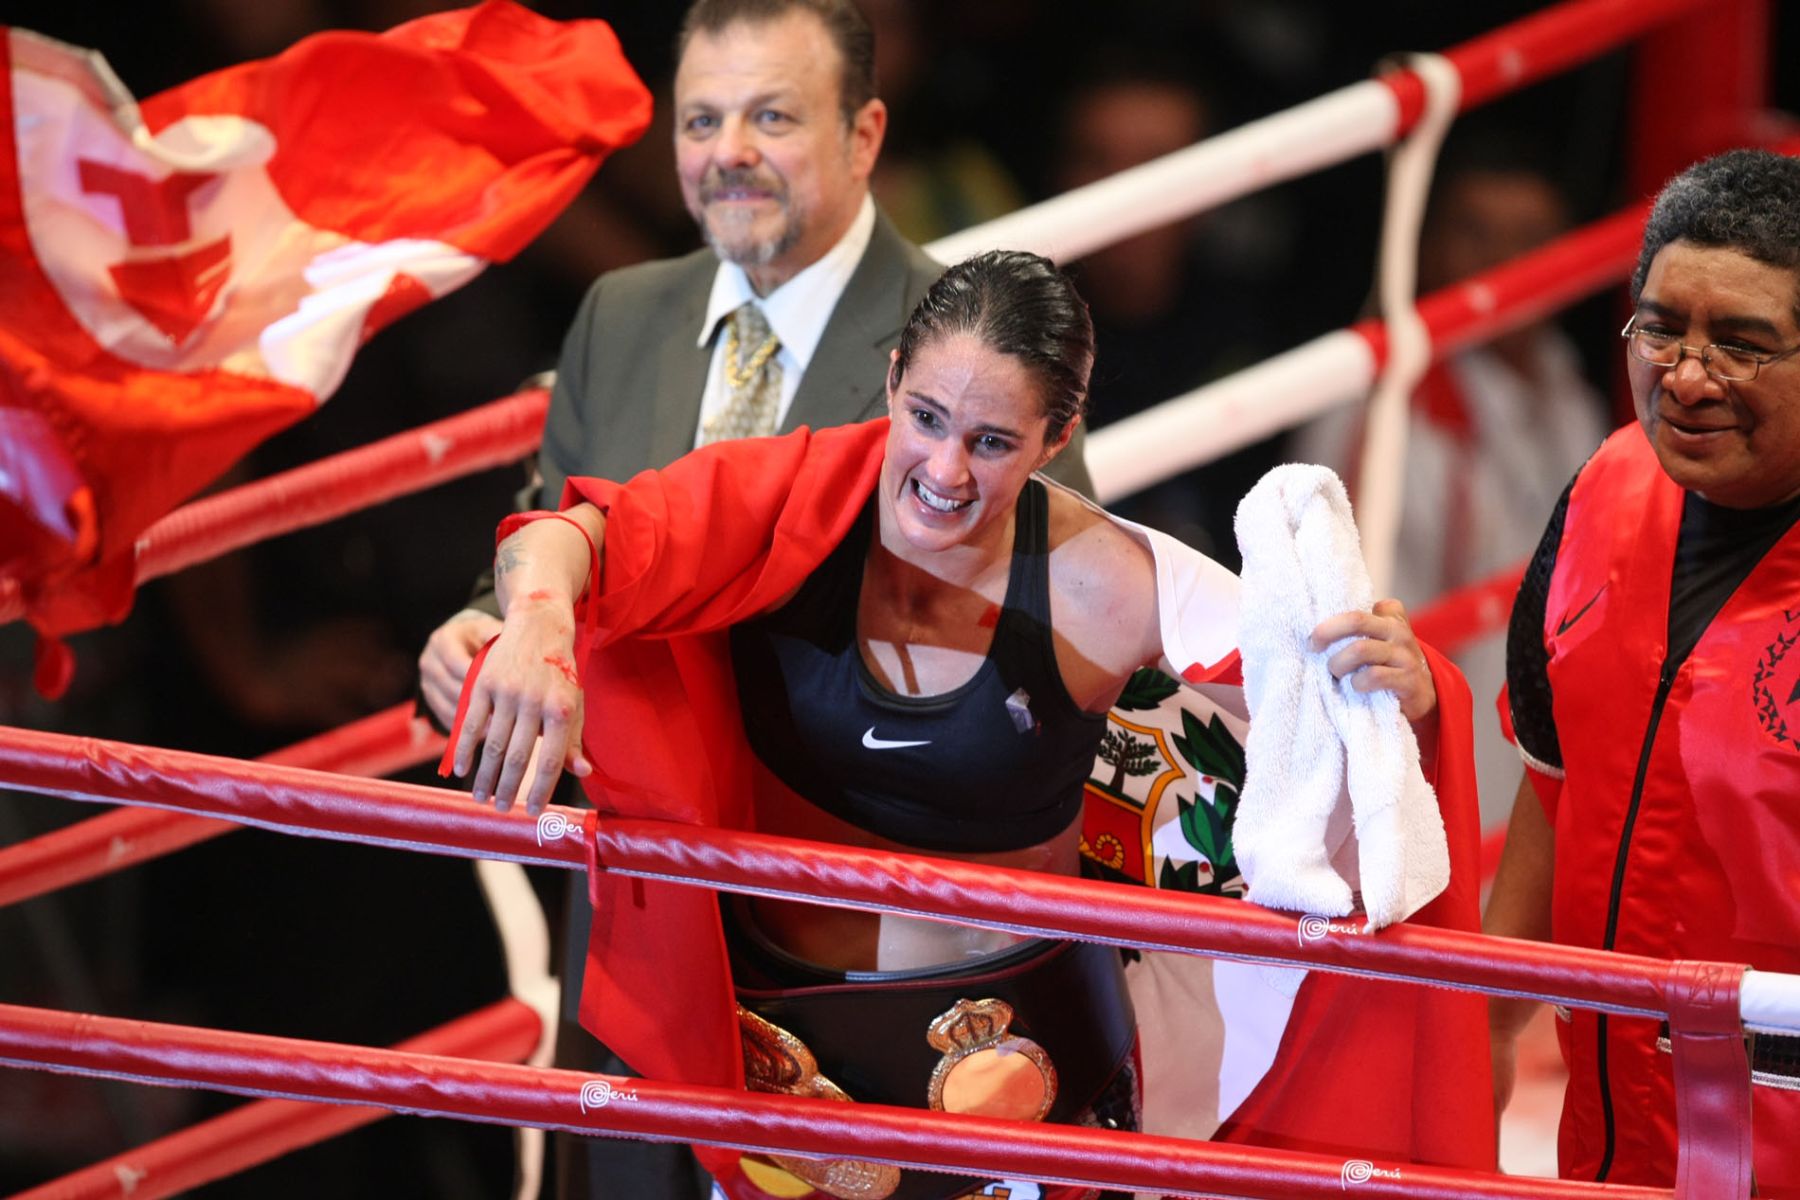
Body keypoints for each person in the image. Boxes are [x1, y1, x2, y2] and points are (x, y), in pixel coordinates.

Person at [447, 250, 1446, 1200]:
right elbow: (575, 536)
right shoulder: (789, 502)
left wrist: (1401, 680)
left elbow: (1327, 702)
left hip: (1026, 1094)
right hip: (782, 1090)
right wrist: (534, 623)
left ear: (1058, 439)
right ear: (891, 383)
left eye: (993, 441)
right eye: (926, 417)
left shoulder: (1104, 585)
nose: (945, 469)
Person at [415, 3, 1091, 1195]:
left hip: (860, 962)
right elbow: (549, 525)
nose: (728, 149)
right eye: (701, 119)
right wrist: (491, 620)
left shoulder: (968, 350)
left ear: (865, 133)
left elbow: (1057, 630)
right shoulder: (621, 315)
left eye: (772, 116)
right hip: (631, 926)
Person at [1486, 148, 1800, 1193]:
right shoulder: (1604, 489)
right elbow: (1552, 781)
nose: (1689, 375)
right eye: (1662, 328)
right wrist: (1479, 1033)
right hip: (1611, 1144)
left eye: (1744, 345)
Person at [1295, 132, 1611, 816]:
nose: (1507, 263)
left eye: (1531, 236)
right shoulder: (1377, 409)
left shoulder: (1573, 389)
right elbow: (1346, 630)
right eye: (1478, 233)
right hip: (1430, 763)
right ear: (1429, 244)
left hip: (1548, 747)